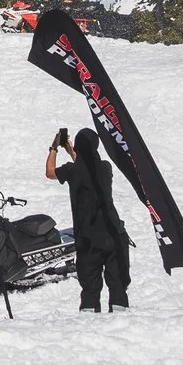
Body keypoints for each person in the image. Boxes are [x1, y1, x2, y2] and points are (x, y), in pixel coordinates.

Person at [46, 128, 129, 312]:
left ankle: (90, 325)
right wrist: (71, 149)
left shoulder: (72, 170)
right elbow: (87, 165)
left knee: (90, 289)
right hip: (114, 234)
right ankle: (121, 320)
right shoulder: (106, 168)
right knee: (118, 287)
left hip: (89, 239)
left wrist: (54, 147)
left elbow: (50, 172)